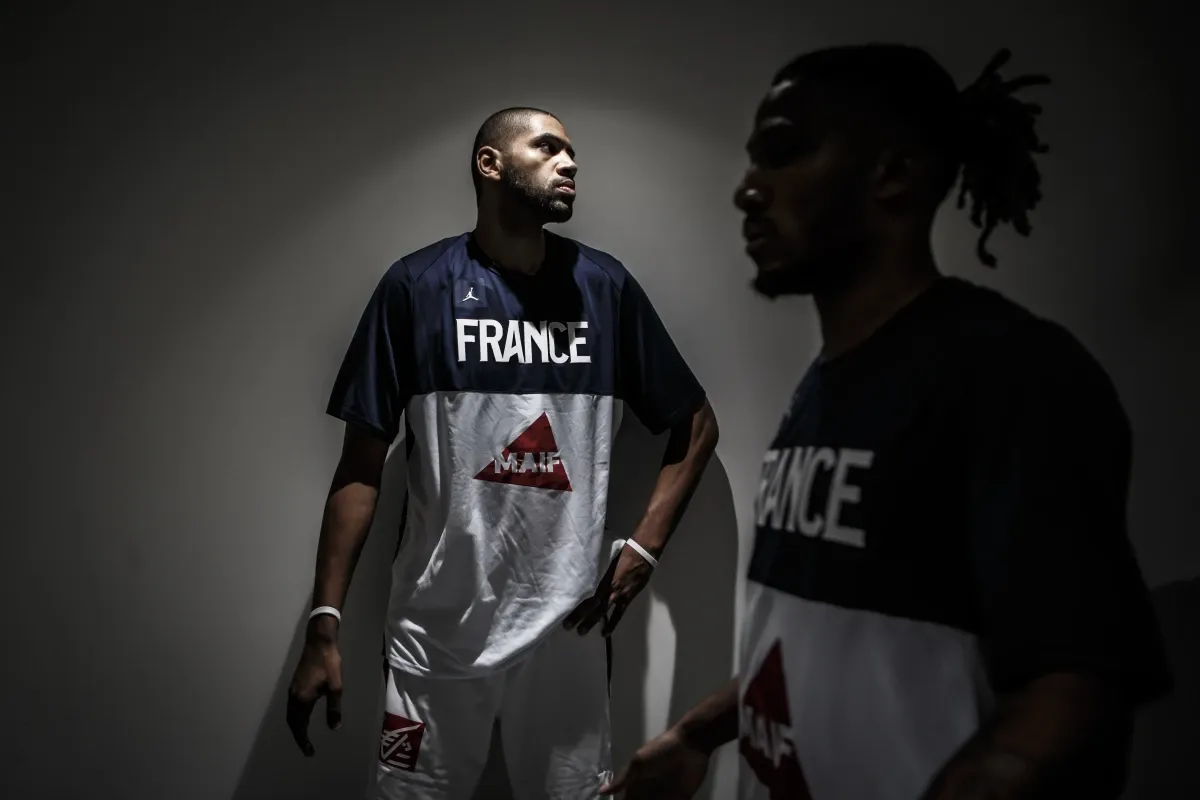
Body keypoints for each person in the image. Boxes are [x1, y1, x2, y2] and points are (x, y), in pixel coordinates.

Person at [601, 44, 1172, 800]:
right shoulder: (826, 386)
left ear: (894, 173)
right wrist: (696, 732)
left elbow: (1076, 692)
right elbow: (819, 643)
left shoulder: (1010, 371)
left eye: (782, 153)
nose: (747, 191)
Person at [285, 107, 719, 800]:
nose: (570, 162)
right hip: (435, 637)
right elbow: (360, 467)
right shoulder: (416, 288)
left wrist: (645, 548)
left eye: (573, 151)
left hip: (567, 638)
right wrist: (324, 624)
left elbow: (695, 423)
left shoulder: (604, 290)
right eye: (547, 147)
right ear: (491, 165)